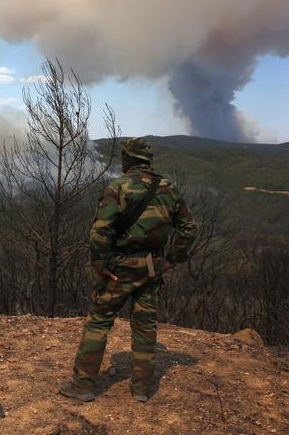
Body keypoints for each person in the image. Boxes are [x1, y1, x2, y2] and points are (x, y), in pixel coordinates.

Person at [60, 136, 196, 402]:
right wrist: (172, 259)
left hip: (121, 267)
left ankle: (83, 385)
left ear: (128, 160)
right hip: (152, 266)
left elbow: (100, 230)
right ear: (148, 160)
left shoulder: (118, 187)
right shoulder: (168, 187)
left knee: (99, 321)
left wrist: (99, 264)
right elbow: (188, 229)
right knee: (145, 326)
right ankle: (142, 389)